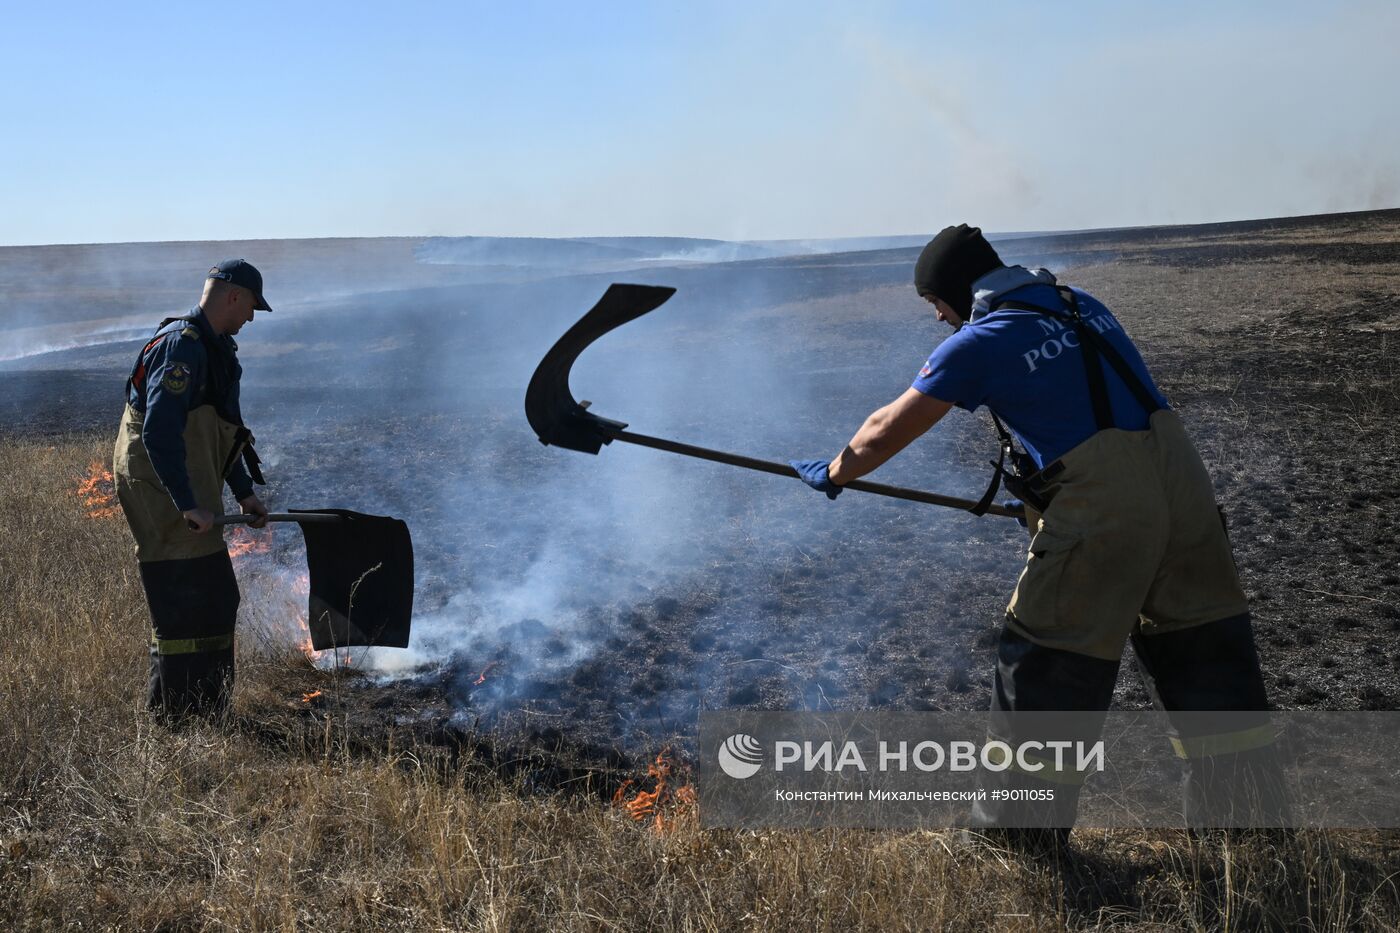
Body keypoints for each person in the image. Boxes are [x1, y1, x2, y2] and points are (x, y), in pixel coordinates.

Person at [791, 224, 1283, 845]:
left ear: (951, 291)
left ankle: (1015, 845)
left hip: (1108, 512)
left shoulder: (980, 339)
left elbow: (884, 430)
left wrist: (836, 470)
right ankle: (1251, 836)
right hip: (1184, 492)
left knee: (1044, 666)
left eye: (934, 304)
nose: (939, 318)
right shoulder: (1084, 306)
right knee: (1208, 660)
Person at [113, 259, 272, 723]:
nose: (251, 318)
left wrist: (244, 493)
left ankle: (208, 710)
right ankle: (175, 718)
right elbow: (159, 436)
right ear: (233, 295)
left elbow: (224, 434)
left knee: (218, 599)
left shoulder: (215, 350)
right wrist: (188, 505)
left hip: (188, 485)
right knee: (183, 602)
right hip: (161, 489)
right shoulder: (181, 349)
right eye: (251, 308)